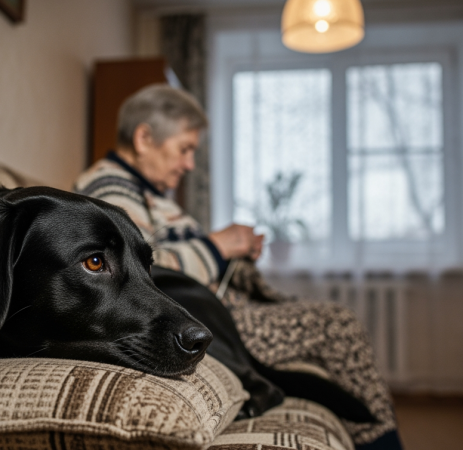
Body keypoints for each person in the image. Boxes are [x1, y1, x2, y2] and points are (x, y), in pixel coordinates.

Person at [74, 85, 402, 449]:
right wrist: (218, 245)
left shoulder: (146, 192)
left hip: (221, 310)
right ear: (144, 138)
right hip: (216, 320)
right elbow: (141, 271)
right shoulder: (109, 189)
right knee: (339, 324)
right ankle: (383, 444)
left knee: (331, 323)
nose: (189, 164)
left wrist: (233, 254)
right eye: (185, 149)